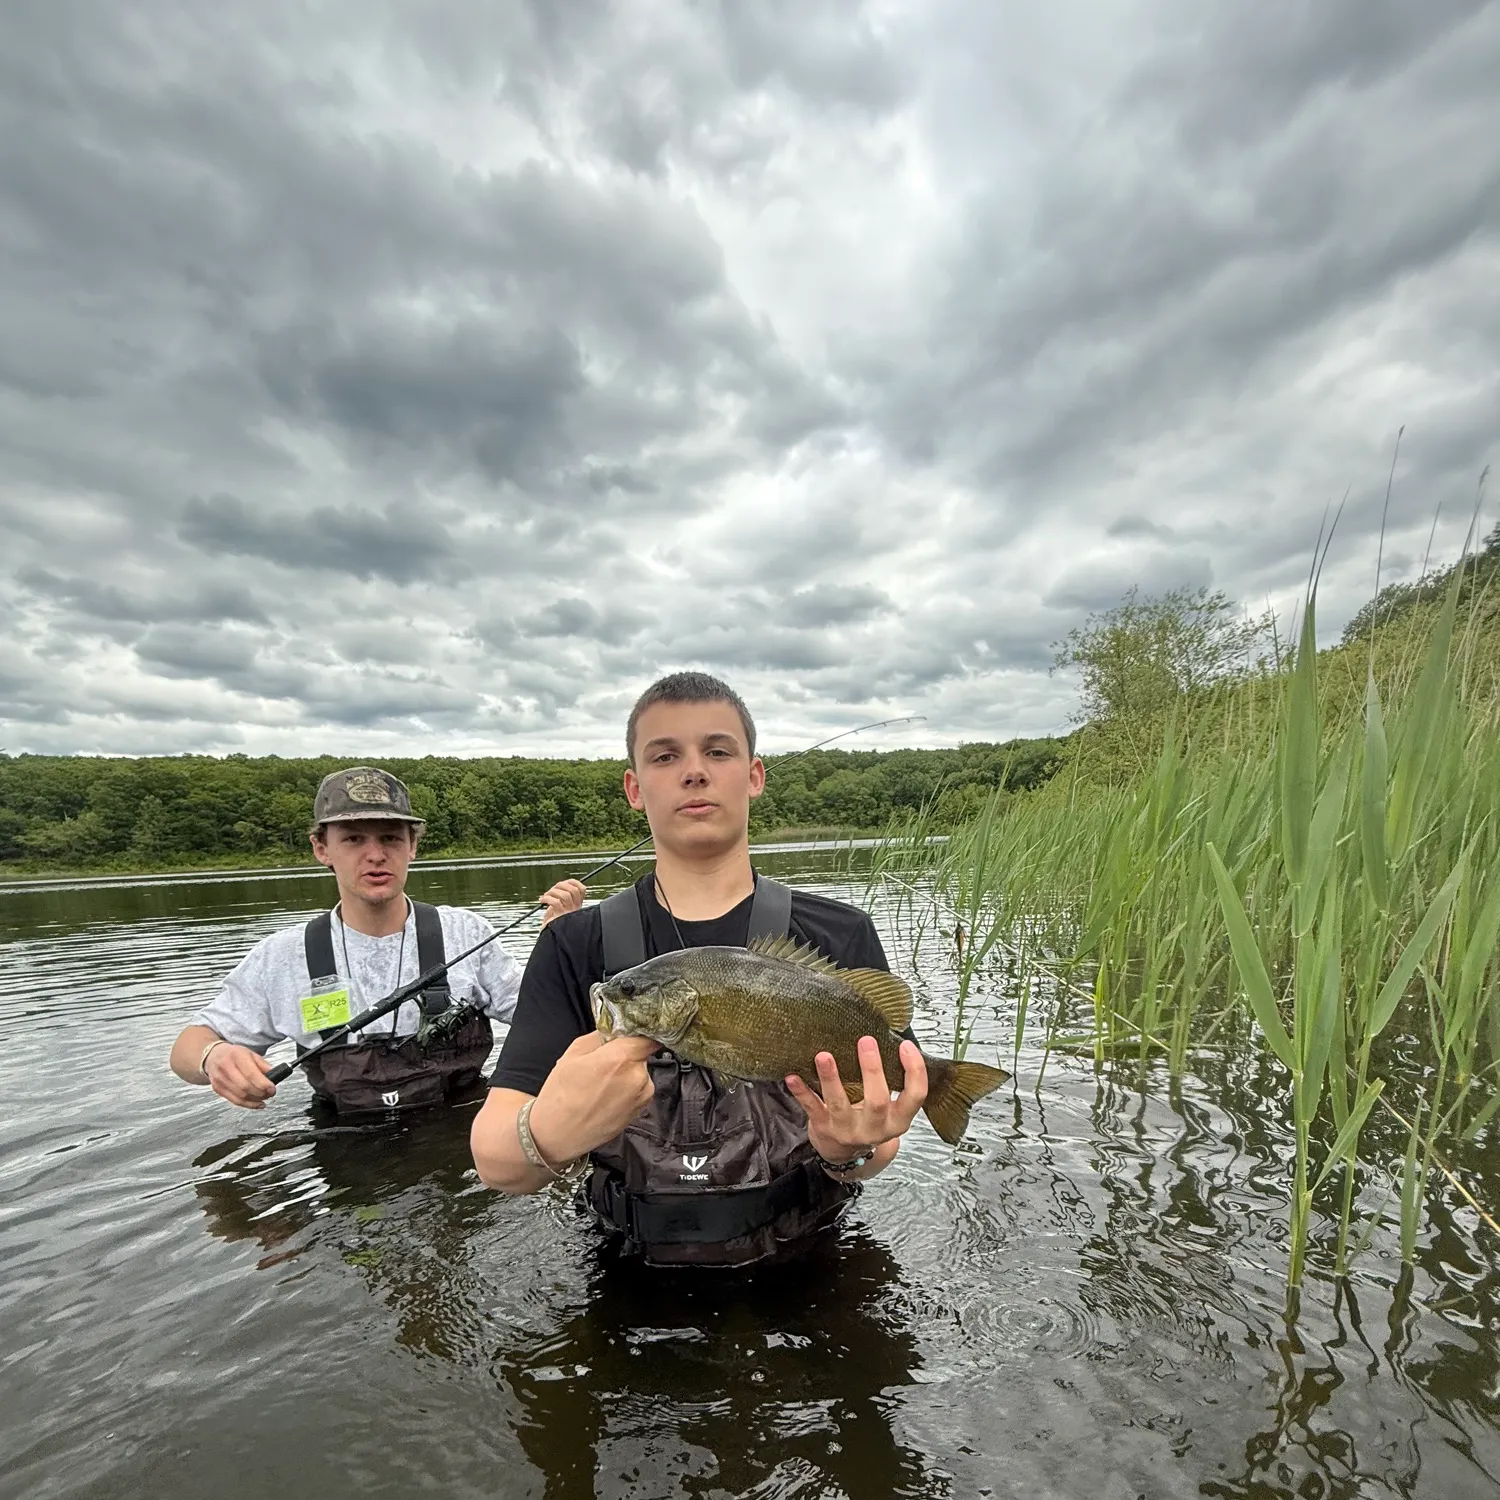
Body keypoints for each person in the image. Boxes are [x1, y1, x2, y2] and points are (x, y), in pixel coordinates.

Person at [471, 672, 929, 1267]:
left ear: (754, 776)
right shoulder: (572, 943)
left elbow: (886, 1128)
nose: (694, 771)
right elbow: (493, 1159)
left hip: (809, 1251)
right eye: (665, 756)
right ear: (634, 788)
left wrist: (849, 1151)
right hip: (624, 1262)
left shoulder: (840, 932)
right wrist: (553, 1130)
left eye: (717, 751)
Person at [168, 766, 584, 1114]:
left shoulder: (466, 933)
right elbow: (187, 1049)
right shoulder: (281, 957)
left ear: (412, 846)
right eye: (353, 839)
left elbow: (553, 1018)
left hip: (465, 1137)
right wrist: (214, 1056)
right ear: (321, 848)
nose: (375, 855)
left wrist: (560, 949)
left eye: (390, 837)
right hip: (344, 1148)